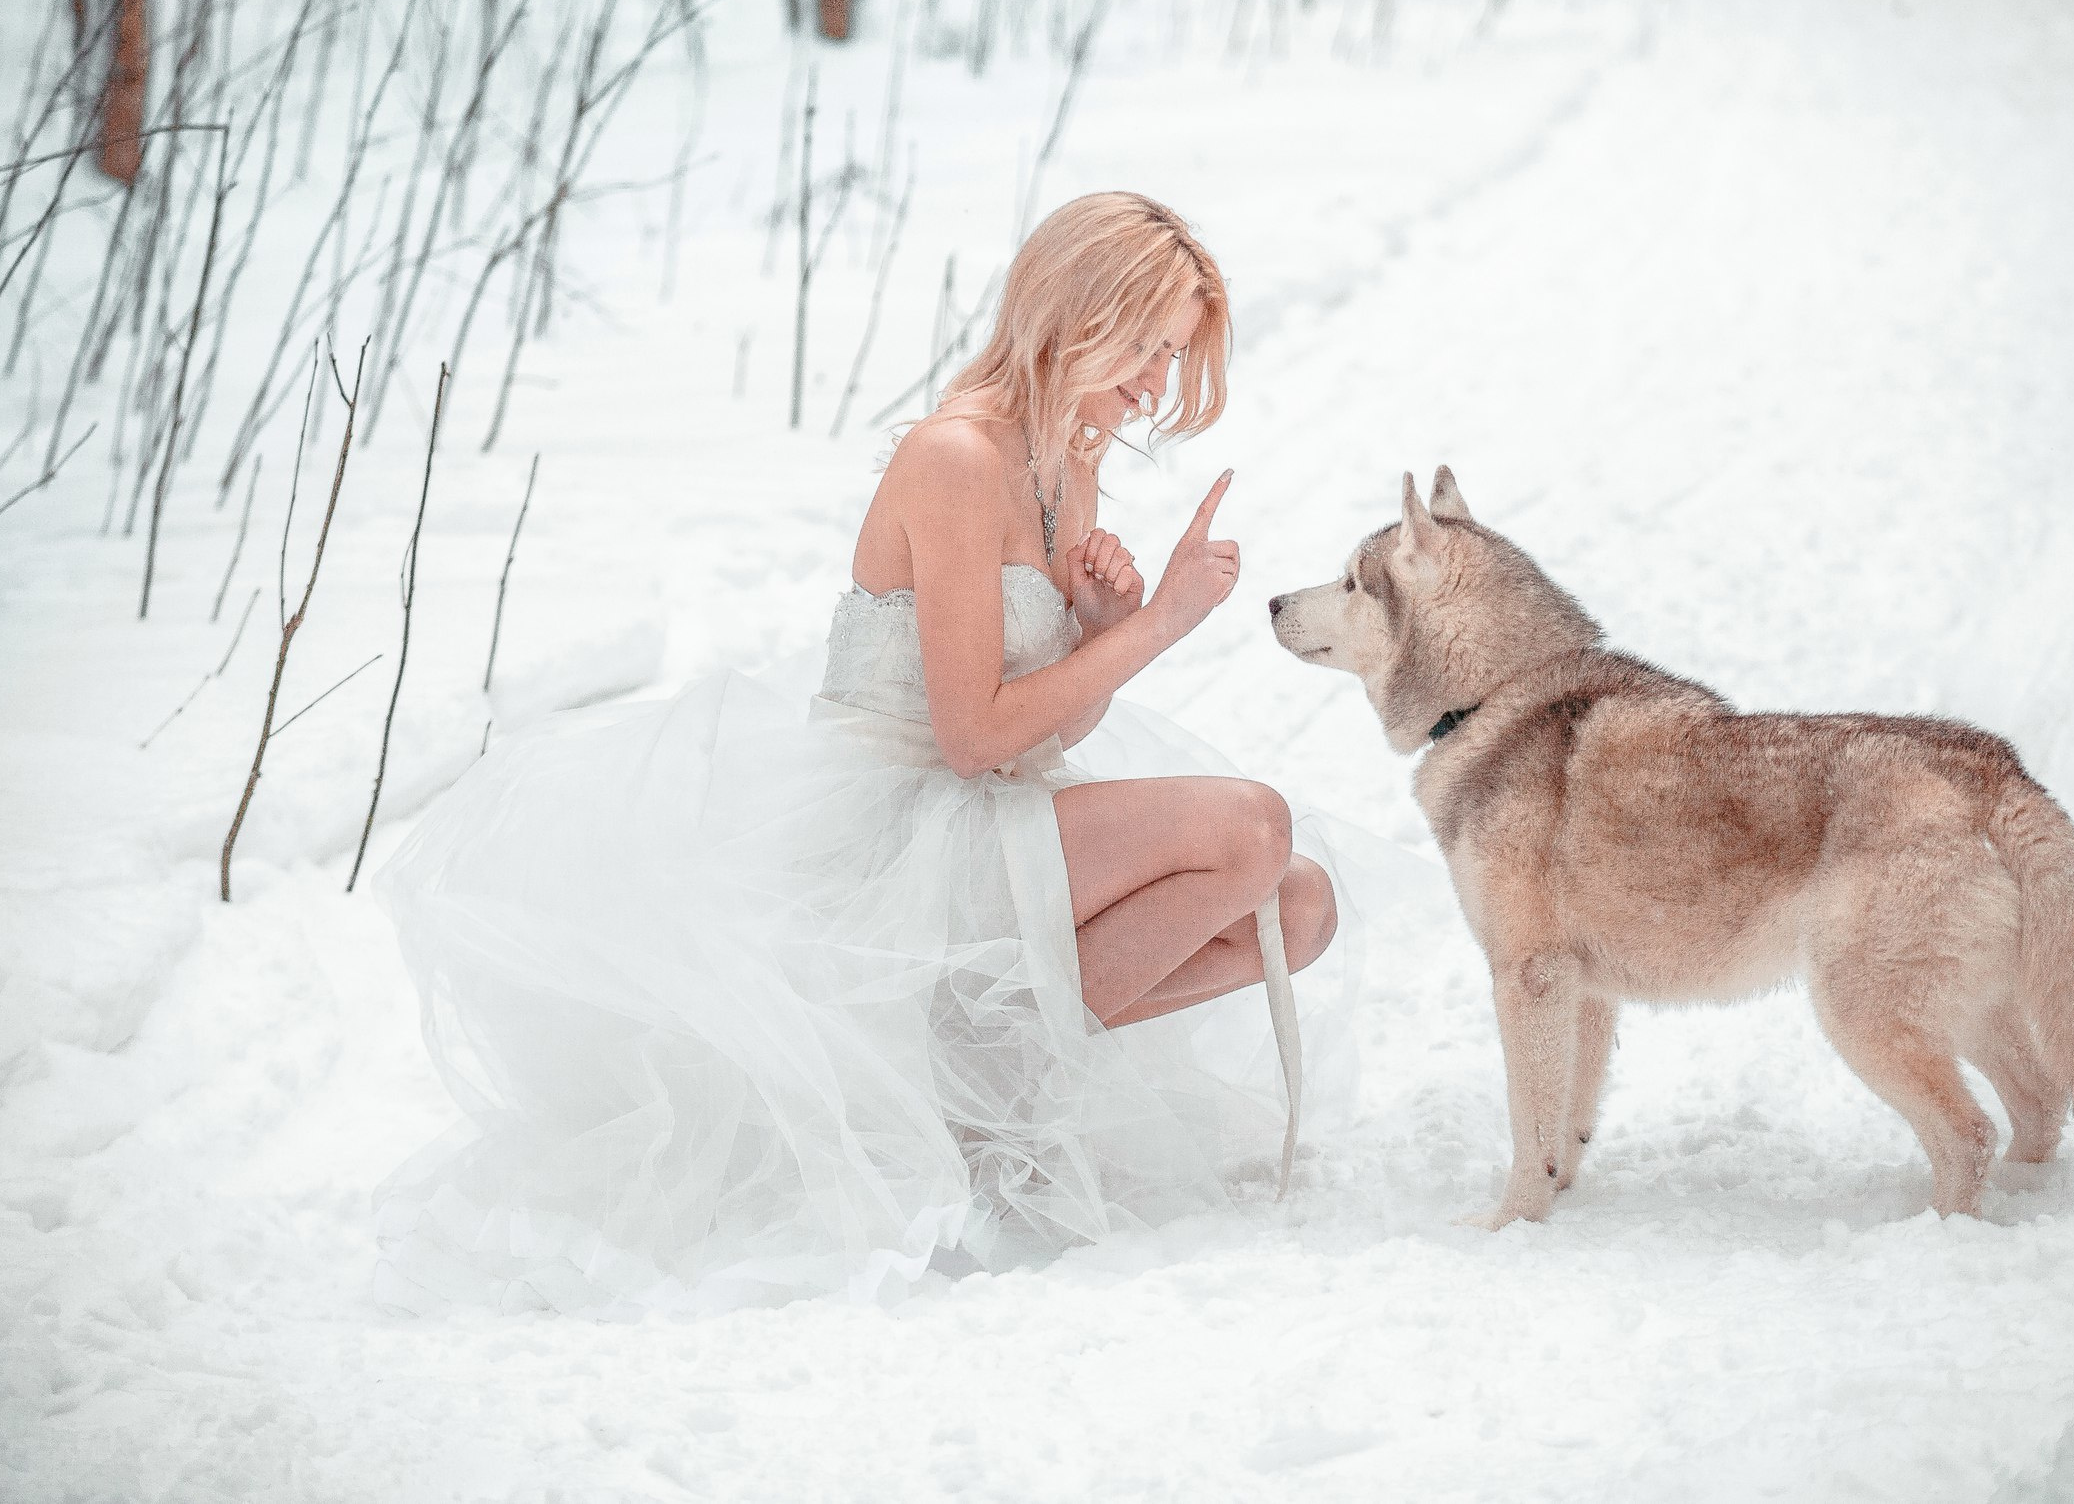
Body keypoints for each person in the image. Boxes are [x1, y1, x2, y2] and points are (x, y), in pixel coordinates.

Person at [374, 192, 1421, 1317]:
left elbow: (1045, 731)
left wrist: (1107, 631)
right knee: (1250, 825)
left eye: (1172, 357)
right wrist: (1160, 622)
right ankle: (981, 1092)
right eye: (1147, 347)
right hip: (893, 830)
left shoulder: (1066, 459)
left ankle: (984, 1064)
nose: (1157, 385)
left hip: (990, 812)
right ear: (1075, 311)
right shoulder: (956, 456)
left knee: (1299, 906)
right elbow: (972, 736)